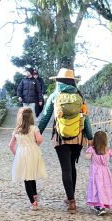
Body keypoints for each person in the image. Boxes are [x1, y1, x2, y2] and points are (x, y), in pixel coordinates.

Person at [37, 67, 93, 213]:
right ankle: (71, 198)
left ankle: (71, 200)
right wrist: (90, 136)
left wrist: (38, 133)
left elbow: (45, 117)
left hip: (61, 137)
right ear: (72, 81)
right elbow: (85, 118)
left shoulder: (55, 95)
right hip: (78, 137)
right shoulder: (79, 96)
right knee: (72, 166)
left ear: (58, 81)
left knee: (65, 168)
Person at [9, 106, 47, 209]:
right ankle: (35, 196)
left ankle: (33, 203)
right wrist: (35, 145)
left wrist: (16, 155)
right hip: (33, 153)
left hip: (21, 154)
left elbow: (11, 145)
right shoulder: (34, 128)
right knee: (32, 175)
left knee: (26, 177)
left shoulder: (17, 130)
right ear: (31, 117)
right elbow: (40, 139)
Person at [86, 130, 112, 215]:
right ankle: (102, 204)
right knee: (104, 188)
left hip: (95, 173)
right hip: (105, 173)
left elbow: (87, 157)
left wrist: (89, 147)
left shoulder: (92, 150)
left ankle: (100, 206)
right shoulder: (107, 150)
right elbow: (111, 156)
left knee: (96, 188)